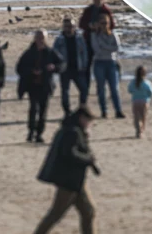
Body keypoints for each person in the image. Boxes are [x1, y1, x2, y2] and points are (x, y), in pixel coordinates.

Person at [33, 106, 100, 234]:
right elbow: (69, 154)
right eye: (89, 121)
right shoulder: (72, 132)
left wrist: (85, 137)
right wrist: (88, 159)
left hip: (76, 180)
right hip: (68, 180)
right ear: (82, 118)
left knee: (89, 211)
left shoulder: (71, 129)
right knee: (56, 214)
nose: (89, 124)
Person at [16, 29, 64, 143]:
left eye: (42, 38)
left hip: (45, 86)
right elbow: (19, 68)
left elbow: (62, 64)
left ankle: (39, 134)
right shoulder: (29, 53)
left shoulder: (50, 52)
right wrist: (31, 71)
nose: (40, 40)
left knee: (43, 111)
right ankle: (31, 132)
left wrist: (54, 67)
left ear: (45, 39)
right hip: (32, 85)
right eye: (38, 37)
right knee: (33, 109)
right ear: (35, 39)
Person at [53, 17, 89, 116]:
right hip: (64, 69)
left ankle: (82, 108)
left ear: (74, 27)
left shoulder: (79, 38)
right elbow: (54, 53)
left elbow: (84, 52)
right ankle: (67, 111)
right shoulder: (59, 39)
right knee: (65, 91)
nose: (69, 28)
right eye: (67, 26)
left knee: (84, 89)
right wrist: (58, 66)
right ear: (63, 27)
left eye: (71, 26)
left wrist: (84, 65)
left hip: (78, 68)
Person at [91, 13, 124, 119]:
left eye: (106, 23)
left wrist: (104, 46)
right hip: (99, 62)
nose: (104, 25)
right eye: (102, 23)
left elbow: (116, 48)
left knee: (114, 88)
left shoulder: (113, 34)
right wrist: (108, 47)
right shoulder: (94, 35)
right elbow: (97, 50)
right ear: (98, 24)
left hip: (111, 62)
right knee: (101, 89)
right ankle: (104, 111)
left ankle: (118, 110)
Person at [79, 0, 116, 85]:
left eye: (98, 0)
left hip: (102, 40)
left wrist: (102, 27)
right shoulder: (88, 10)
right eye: (95, 0)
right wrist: (90, 26)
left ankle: (102, 84)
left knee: (103, 63)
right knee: (87, 64)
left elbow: (112, 25)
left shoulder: (106, 10)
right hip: (89, 39)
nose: (97, 2)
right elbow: (81, 24)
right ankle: (86, 85)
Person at [128, 66, 152, 138]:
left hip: (135, 101)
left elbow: (129, 90)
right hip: (144, 102)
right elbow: (151, 92)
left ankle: (138, 130)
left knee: (136, 118)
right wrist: (148, 96)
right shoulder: (147, 83)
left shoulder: (133, 82)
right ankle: (141, 131)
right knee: (143, 117)